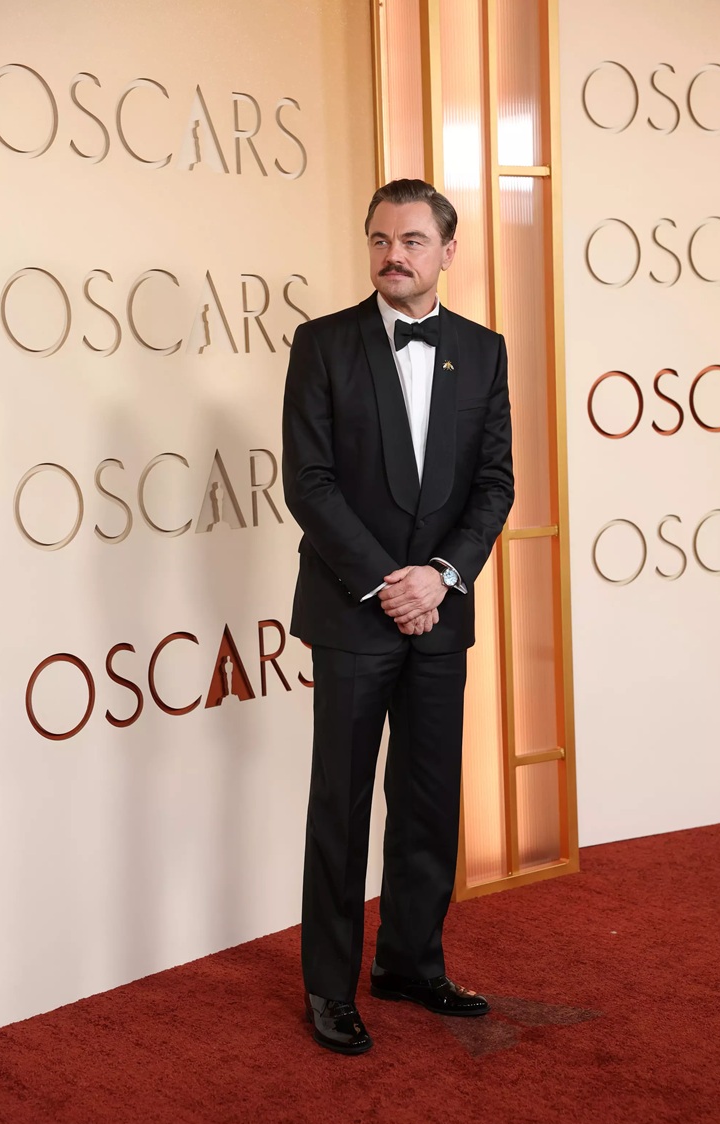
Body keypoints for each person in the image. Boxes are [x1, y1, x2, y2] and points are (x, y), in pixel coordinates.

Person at [282, 178, 514, 1054]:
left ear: (447, 251)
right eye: (380, 240)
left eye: (413, 240)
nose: (393, 255)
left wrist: (441, 577)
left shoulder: (484, 351)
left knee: (428, 798)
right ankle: (329, 987)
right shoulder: (322, 343)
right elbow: (309, 483)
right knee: (340, 806)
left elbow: (495, 483)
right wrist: (391, 582)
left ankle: (411, 963)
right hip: (354, 612)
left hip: (441, 613)